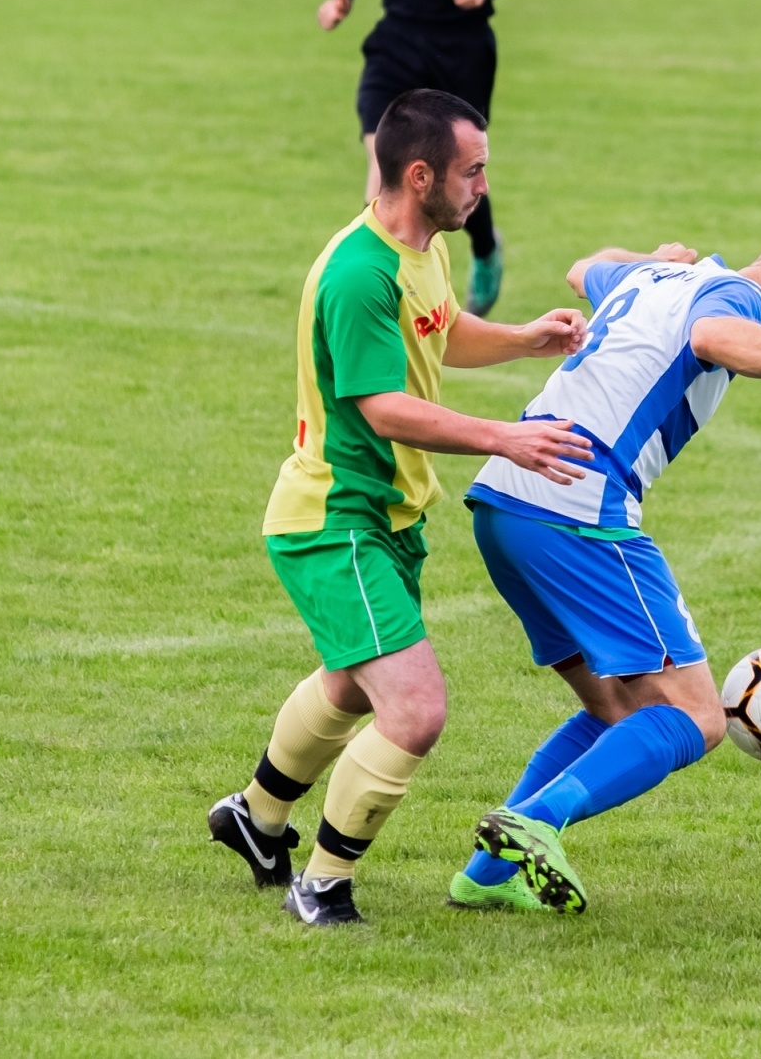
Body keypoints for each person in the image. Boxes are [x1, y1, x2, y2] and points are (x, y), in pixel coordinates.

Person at [207, 88, 593, 928]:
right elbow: (383, 407)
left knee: (350, 686)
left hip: (389, 518)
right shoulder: (357, 272)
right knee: (414, 710)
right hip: (335, 520)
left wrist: (524, 336)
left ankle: (254, 819)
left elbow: (439, 329)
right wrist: (505, 437)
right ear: (420, 176)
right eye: (472, 171)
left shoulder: (418, 247)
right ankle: (323, 885)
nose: (483, 185)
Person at [447, 238, 761, 914]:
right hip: (578, 506)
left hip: (503, 504)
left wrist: (650, 258)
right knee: (696, 714)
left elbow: (581, 266)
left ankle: (484, 877)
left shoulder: (656, 277)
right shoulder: (737, 300)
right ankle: (538, 820)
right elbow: (716, 334)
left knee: (616, 707)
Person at [318, 0, 510, 316]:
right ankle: (382, 291)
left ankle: (486, 247)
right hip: (397, 43)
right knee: (384, 165)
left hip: (460, 50)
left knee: (455, 169)